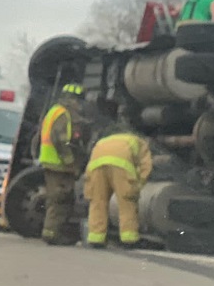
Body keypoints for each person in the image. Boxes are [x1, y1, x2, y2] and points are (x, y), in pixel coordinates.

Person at [84, 122, 152, 248]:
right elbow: (146, 165)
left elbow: (90, 163)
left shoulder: (103, 141)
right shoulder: (138, 141)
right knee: (127, 203)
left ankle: (96, 238)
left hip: (96, 167)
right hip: (121, 168)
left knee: (98, 202)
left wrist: (88, 186)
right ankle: (129, 239)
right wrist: (138, 185)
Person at [38, 83, 88, 246]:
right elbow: (61, 141)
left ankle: (51, 231)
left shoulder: (53, 111)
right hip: (59, 165)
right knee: (60, 199)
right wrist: (71, 163)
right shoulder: (63, 114)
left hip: (50, 162)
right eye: (79, 101)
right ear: (72, 100)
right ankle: (52, 234)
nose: (80, 105)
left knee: (56, 198)